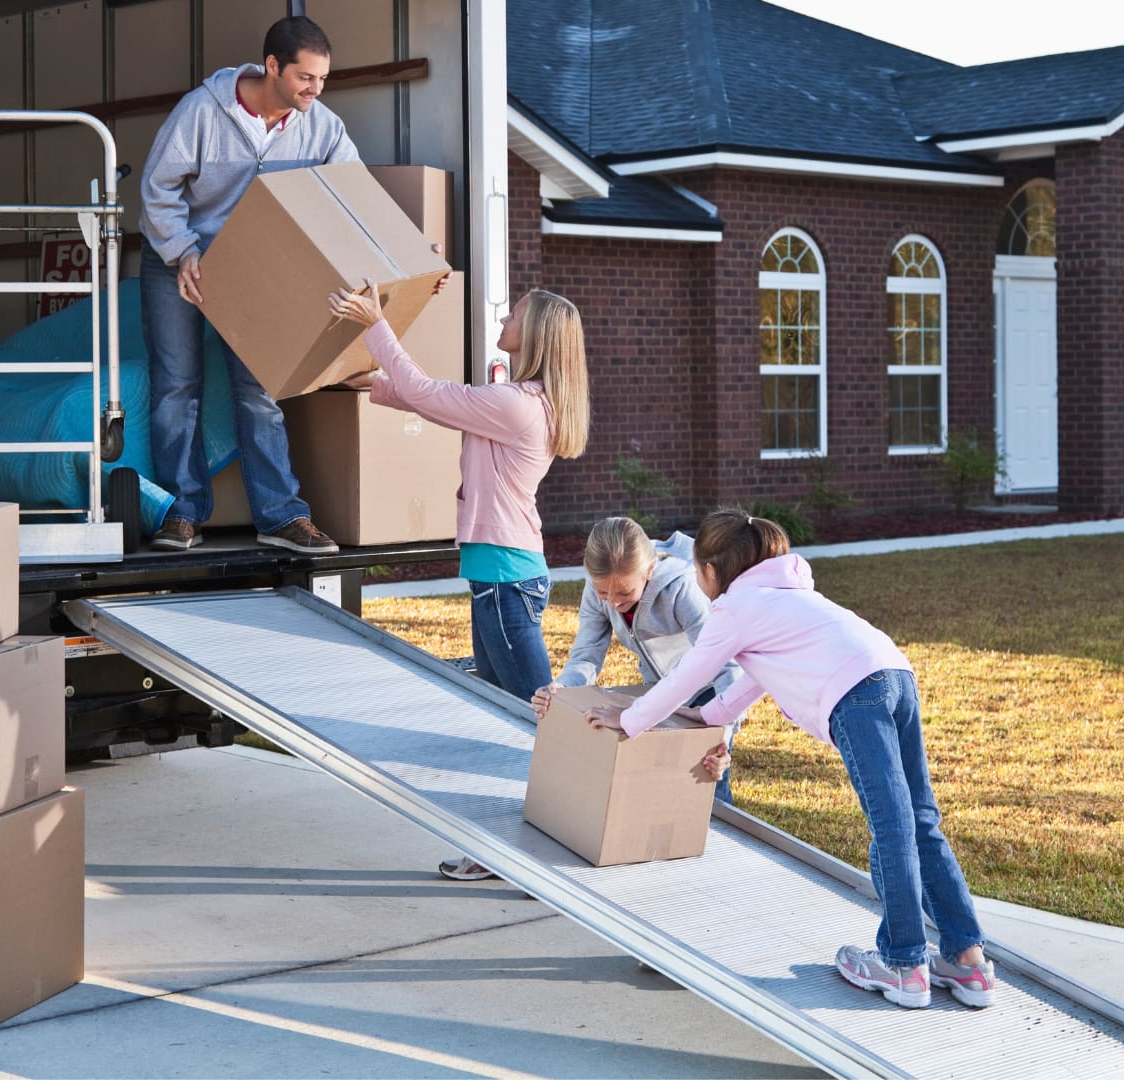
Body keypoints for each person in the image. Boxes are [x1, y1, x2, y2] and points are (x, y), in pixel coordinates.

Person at [584, 509, 999, 1010]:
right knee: (921, 819)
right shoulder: (789, 594)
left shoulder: (735, 608)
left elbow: (684, 677)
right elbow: (757, 678)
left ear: (712, 570)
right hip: (895, 673)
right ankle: (968, 961)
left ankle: (904, 964)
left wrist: (628, 721)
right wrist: (709, 716)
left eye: (697, 569)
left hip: (856, 693)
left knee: (891, 826)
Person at [329, 281, 589, 882]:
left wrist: (376, 324)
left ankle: (552, 854)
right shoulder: (518, 400)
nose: (506, 315)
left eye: (516, 312)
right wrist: (366, 384)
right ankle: (504, 850)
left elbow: (428, 391)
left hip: (505, 578)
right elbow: (428, 400)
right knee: (502, 719)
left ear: (538, 335)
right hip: (499, 576)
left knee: (536, 723)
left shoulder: (519, 405)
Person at [137, 15, 353, 553]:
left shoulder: (321, 125)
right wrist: (182, 251)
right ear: (272, 66)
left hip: (254, 268)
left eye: (323, 79)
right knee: (177, 388)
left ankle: (281, 516)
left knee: (260, 392)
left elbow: (350, 198)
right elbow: (157, 187)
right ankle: (181, 513)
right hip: (178, 256)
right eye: (306, 78)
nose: (316, 90)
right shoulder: (202, 111)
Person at [529, 517, 746, 803]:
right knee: (662, 786)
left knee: (707, 790)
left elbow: (727, 666)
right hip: (658, 692)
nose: (614, 602)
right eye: (603, 592)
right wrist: (563, 688)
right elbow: (586, 656)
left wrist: (724, 736)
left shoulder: (681, 589)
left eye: (625, 592)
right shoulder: (599, 592)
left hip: (708, 693)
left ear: (650, 570)